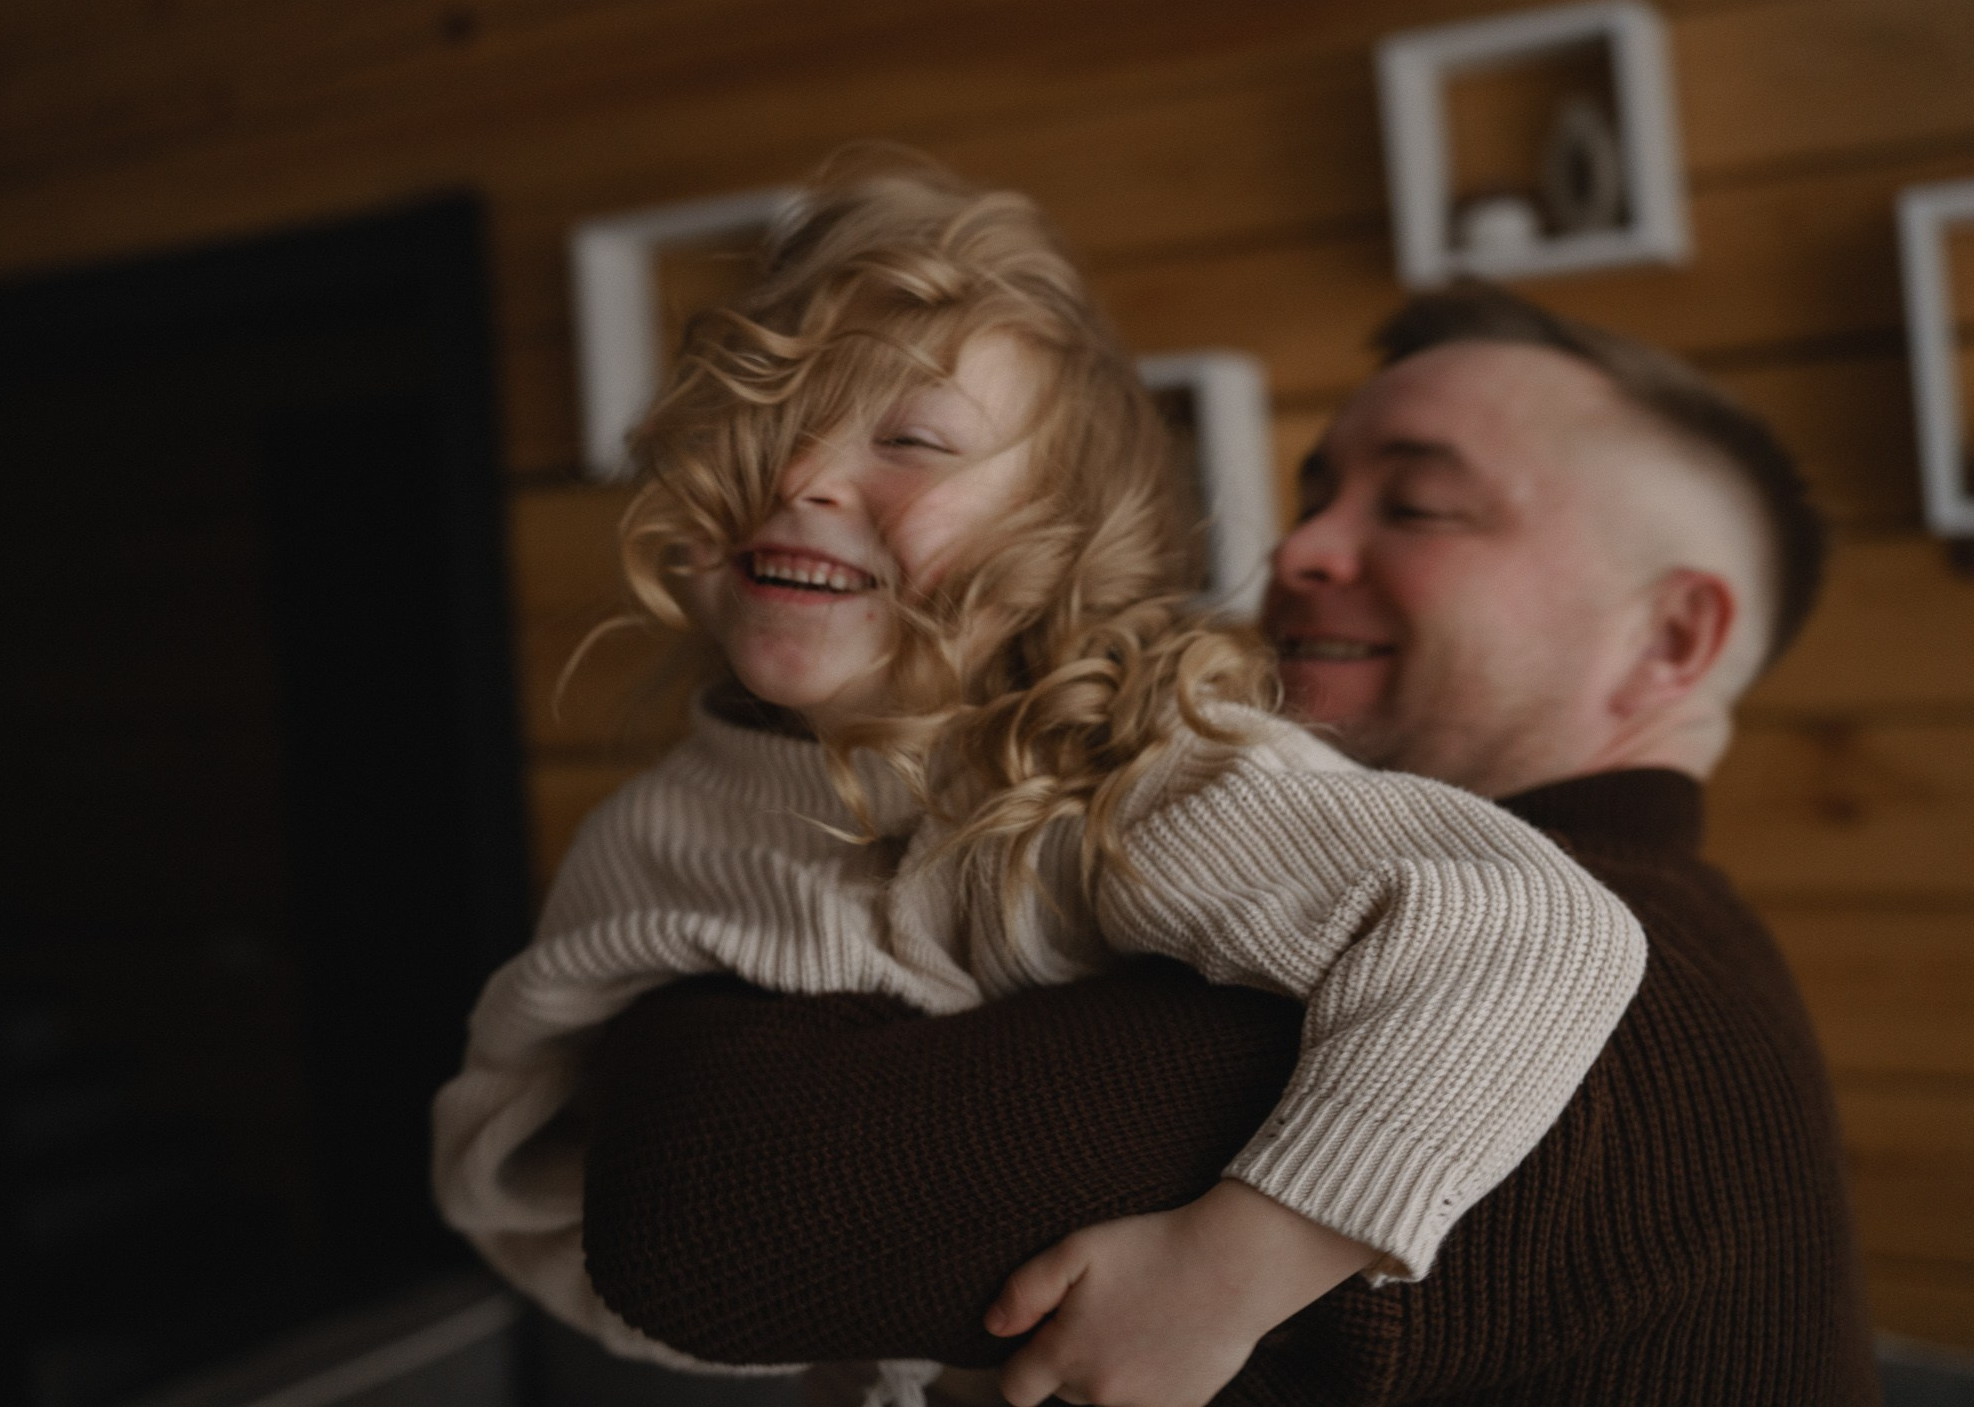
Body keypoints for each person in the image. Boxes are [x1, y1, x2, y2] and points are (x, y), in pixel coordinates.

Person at [430, 161, 1648, 1407]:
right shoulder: (652, 833)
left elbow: (1536, 931)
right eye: (767, 416)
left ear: (1056, 542)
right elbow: (532, 1179)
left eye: (911, 440)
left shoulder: (1129, 766)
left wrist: (1228, 1269)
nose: (801, 477)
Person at [577, 282, 1880, 1405]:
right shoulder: (1311, 890)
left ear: (1671, 640)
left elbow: (706, 1217)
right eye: (1316, 493)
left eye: (1420, 507)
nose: (1298, 550)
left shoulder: (1536, 1003)